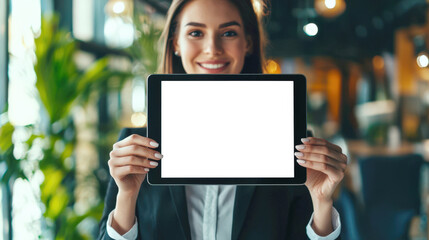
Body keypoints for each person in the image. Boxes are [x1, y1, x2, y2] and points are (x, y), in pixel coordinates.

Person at [98, 0, 347, 239]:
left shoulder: (290, 144)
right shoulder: (139, 146)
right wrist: (127, 197)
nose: (212, 49)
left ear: (248, 43)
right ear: (176, 43)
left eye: (229, 33)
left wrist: (322, 202)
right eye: (196, 33)